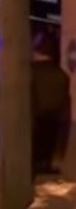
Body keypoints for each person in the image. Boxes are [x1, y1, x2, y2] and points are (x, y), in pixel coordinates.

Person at [31, 39, 70, 178]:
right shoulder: (62, 74)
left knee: (33, 155)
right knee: (46, 154)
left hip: (35, 119)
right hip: (55, 120)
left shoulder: (30, 71)